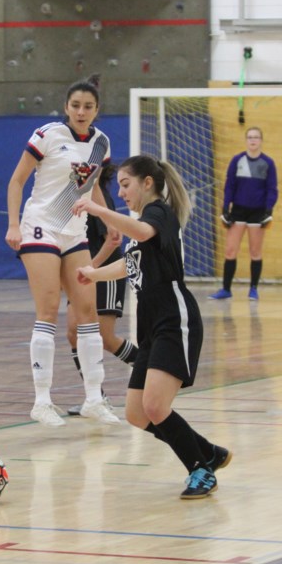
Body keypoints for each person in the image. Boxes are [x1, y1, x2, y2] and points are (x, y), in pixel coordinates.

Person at [73, 155, 232, 498]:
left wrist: (99, 210)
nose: (122, 193)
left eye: (126, 185)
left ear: (148, 183)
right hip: (151, 327)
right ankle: (206, 451)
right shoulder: (142, 223)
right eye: (118, 188)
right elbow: (131, 265)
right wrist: (94, 274)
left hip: (175, 321)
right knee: (136, 413)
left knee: (156, 407)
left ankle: (200, 470)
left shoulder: (158, 213)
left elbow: (142, 233)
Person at [5, 76, 120, 428]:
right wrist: (13, 224)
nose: (81, 112)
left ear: (97, 110)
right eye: (75, 106)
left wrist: (110, 220)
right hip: (41, 224)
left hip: (75, 231)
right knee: (49, 307)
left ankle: (93, 399)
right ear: (66, 107)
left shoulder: (101, 142)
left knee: (87, 312)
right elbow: (17, 181)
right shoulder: (47, 135)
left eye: (88, 106)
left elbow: (93, 186)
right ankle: (41, 401)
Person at [66, 163, 140, 416]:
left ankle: (150, 367)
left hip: (106, 270)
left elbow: (112, 242)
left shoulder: (98, 200)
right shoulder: (69, 198)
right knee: (73, 333)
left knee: (106, 338)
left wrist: (90, 271)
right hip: (85, 274)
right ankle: (95, 398)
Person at [209, 126, 278, 301]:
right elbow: (230, 185)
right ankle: (226, 289)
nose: (253, 140)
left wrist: (269, 209)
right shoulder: (237, 160)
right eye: (250, 137)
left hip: (258, 212)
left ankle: (253, 289)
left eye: (256, 137)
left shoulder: (268, 163)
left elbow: (272, 188)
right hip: (238, 210)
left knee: (255, 252)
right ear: (246, 140)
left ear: (261, 140)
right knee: (230, 251)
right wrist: (226, 208)